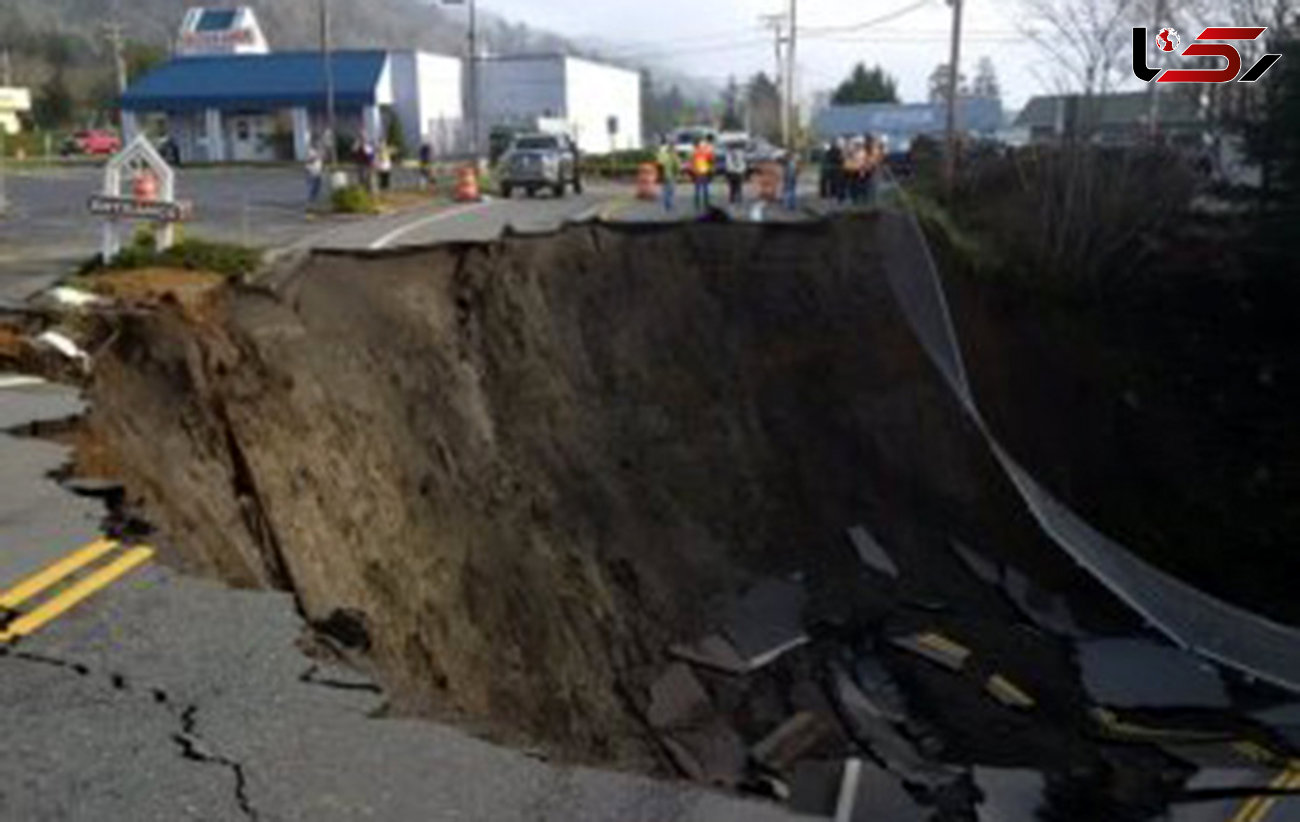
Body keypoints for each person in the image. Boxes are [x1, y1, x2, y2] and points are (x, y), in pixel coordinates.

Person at [690, 137, 715, 211]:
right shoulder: (704, 152)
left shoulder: (695, 152)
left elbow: (693, 163)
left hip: (699, 172)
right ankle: (705, 204)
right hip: (703, 172)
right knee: (704, 190)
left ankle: (698, 204)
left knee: (699, 190)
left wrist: (693, 172)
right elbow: (711, 160)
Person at [656, 137, 681, 212]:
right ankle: (670, 205)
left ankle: (666, 205)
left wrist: (659, 174)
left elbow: (659, 163)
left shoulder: (662, 154)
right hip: (671, 175)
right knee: (671, 190)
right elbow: (677, 165)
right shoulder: (674, 155)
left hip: (664, 174)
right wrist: (677, 173)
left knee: (665, 190)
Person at [723, 141, 748, 205]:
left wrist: (728, 170)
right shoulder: (742, 153)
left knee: (732, 186)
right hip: (739, 171)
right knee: (738, 186)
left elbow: (727, 163)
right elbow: (744, 162)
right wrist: (743, 169)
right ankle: (739, 198)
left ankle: (732, 199)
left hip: (732, 171)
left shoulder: (729, 153)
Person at [305, 141, 324, 206]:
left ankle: (313, 200)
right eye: (318, 145)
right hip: (311, 171)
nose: (319, 146)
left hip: (317, 171)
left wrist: (321, 156)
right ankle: (310, 200)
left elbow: (322, 159)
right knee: (311, 186)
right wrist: (315, 157)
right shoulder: (310, 151)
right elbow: (308, 159)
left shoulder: (319, 151)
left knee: (318, 186)